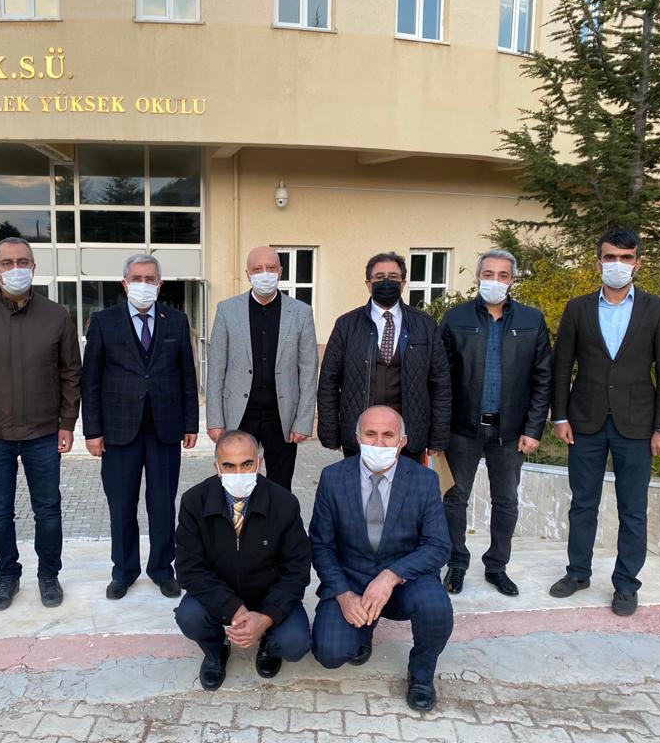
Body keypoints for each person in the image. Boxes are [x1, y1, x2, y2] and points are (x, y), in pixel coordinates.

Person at [550, 229, 660, 616]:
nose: (618, 264)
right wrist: (560, 416)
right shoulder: (578, 308)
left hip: (638, 425)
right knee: (582, 504)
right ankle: (577, 573)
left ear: (637, 263)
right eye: (611, 257)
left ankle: (626, 584)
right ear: (598, 262)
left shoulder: (657, 310)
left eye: (626, 258)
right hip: (585, 422)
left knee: (633, 510)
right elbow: (561, 367)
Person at [0, 237, 82, 612]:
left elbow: (71, 373)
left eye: (23, 261)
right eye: (7, 263)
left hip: (44, 432)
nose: (15, 269)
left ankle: (49, 574)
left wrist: (67, 422)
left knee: (48, 511)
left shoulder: (57, 315)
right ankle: (7, 575)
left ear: (34, 267)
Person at [310, 406, 453, 712]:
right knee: (329, 653)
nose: (378, 443)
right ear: (357, 437)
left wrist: (390, 576)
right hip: (352, 579)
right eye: (370, 434)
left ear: (403, 441)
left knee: (436, 607)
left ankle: (422, 673)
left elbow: (438, 545)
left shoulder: (424, 480)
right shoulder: (333, 478)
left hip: (404, 582)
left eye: (388, 435)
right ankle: (363, 629)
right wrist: (343, 595)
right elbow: (321, 545)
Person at [81, 254, 199, 600]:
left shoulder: (176, 321)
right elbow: (91, 380)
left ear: (159, 285)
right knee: (121, 505)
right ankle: (124, 571)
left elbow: (187, 375)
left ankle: (162, 569)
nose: (143, 284)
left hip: (165, 429)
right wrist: (92, 431)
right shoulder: (103, 321)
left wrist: (191, 423)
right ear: (124, 283)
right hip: (118, 431)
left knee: (162, 505)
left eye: (150, 279)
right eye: (137, 278)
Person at [439, 249, 552, 597]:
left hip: (510, 431)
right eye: (488, 274)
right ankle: (456, 563)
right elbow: (440, 378)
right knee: (454, 498)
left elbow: (542, 378)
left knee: (506, 501)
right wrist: (440, 429)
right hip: (462, 430)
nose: (495, 281)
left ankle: (497, 566)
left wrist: (533, 429)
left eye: (503, 275)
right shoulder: (455, 318)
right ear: (478, 277)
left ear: (513, 280)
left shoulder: (532, 320)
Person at [174, 431, 312, 690]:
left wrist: (266, 618)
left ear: (259, 463)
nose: (239, 473)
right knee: (189, 616)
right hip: (220, 595)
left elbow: (297, 569)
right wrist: (234, 609)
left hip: (268, 595)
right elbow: (188, 568)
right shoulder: (194, 501)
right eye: (229, 466)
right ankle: (216, 649)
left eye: (247, 464)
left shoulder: (284, 503)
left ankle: (268, 643)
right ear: (217, 468)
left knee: (295, 643)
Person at [317, 252, 451, 464]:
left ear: (403, 283)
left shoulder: (425, 325)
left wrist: (438, 437)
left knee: (406, 485)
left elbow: (440, 383)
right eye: (379, 277)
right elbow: (329, 382)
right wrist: (330, 432)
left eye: (393, 277)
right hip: (361, 435)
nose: (386, 282)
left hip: (409, 436)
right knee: (359, 485)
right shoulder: (346, 325)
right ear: (368, 284)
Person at [206, 246, 318, 492]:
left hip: (282, 415)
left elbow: (309, 371)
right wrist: (215, 421)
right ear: (248, 274)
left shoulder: (301, 313)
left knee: (281, 485)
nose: (264, 274)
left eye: (270, 268)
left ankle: (276, 519)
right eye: (257, 269)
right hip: (240, 413)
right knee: (236, 482)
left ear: (280, 271)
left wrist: (303, 421)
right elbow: (216, 368)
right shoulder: (227, 310)